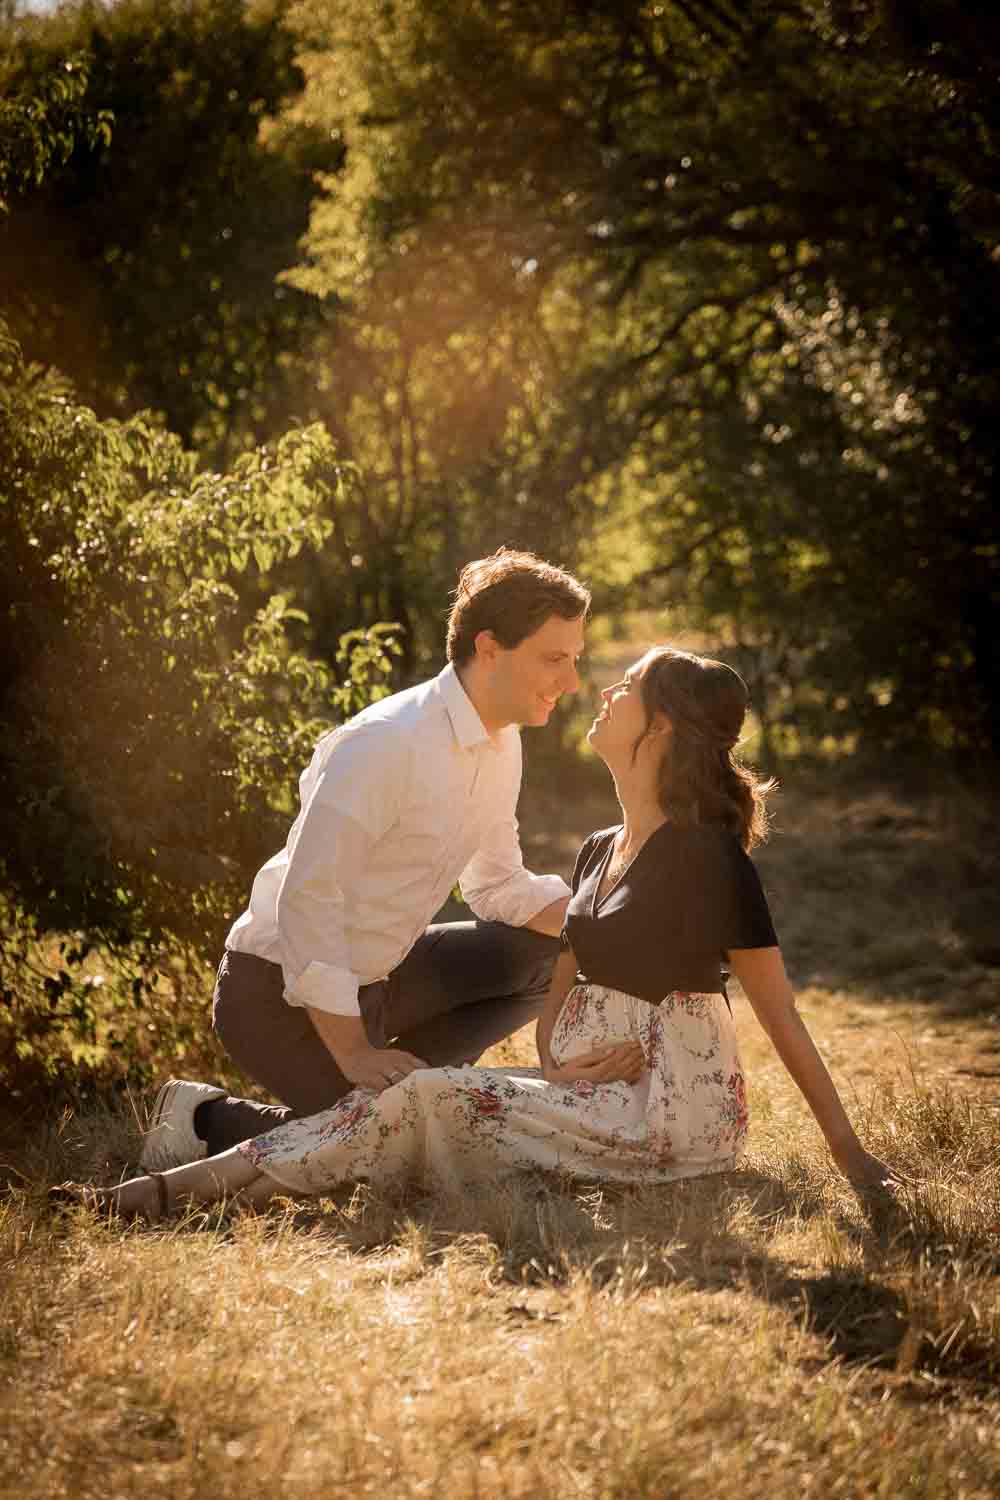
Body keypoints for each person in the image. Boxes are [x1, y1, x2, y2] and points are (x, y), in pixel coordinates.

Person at [55, 644, 892, 1222]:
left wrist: (850, 1155)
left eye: (625, 685)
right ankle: (189, 1159)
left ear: (663, 727)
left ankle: (167, 1188)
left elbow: (780, 1015)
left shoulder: (709, 861)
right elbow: (561, 980)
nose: (598, 689)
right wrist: (558, 1060)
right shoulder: (600, 848)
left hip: (672, 1112)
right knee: (409, 1113)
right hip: (590, 1091)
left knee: (419, 1099)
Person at [137, 549, 590, 1171]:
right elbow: (308, 898)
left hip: (384, 976)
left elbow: (496, 885)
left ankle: (411, 1102)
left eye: (574, 661)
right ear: (489, 648)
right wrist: (353, 1052)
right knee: (394, 1149)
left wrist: (601, 921)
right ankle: (204, 1117)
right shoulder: (385, 742)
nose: (570, 683)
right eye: (554, 659)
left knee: (540, 957)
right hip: (276, 997)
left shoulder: (501, 741)